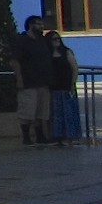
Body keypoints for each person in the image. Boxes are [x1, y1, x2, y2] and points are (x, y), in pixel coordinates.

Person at [11, 15, 51, 145]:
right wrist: (19, 79)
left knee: (41, 112)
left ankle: (40, 136)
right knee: (27, 111)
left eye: (42, 24)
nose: (41, 27)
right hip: (28, 82)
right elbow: (15, 61)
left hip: (43, 82)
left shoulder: (42, 40)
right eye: (38, 24)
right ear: (31, 25)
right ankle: (26, 137)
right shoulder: (21, 41)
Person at [45, 28, 81, 145]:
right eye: (53, 39)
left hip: (66, 87)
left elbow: (74, 68)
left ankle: (69, 137)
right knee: (56, 114)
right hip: (53, 88)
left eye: (58, 38)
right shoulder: (47, 54)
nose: (56, 41)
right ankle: (56, 137)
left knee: (68, 113)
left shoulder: (67, 52)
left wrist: (72, 84)